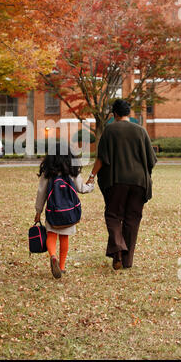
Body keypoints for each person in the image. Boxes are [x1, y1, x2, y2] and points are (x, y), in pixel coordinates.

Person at [86, 99, 157, 270]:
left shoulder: (110, 130)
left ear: (115, 114)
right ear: (128, 113)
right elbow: (151, 160)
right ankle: (127, 261)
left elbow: (102, 158)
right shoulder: (141, 130)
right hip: (139, 182)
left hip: (116, 181)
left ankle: (117, 251)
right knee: (132, 219)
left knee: (113, 216)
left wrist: (91, 176)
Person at [35, 144, 94, 279]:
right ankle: (61, 267)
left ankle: (53, 256)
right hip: (69, 212)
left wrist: (38, 211)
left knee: (51, 234)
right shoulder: (72, 171)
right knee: (64, 237)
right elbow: (81, 188)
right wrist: (91, 185)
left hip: (53, 211)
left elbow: (41, 193)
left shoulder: (48, 172)